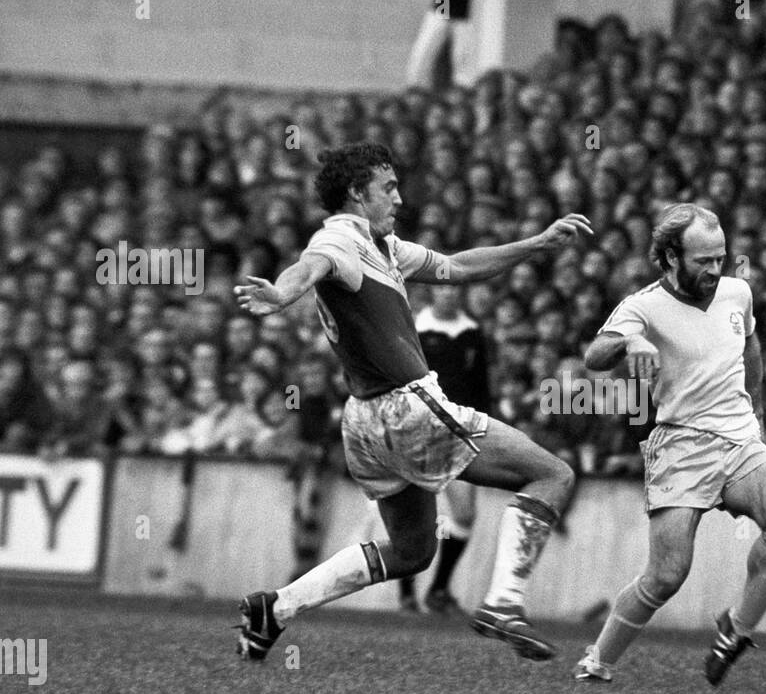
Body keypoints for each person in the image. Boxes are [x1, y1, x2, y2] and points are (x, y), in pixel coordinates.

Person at [233, 141, 590, 662]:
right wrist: (283, 293)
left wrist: (536, 243)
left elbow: (457, 267)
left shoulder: (385, 246)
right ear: (357, 194)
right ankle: (504, 603)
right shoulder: (340, 239)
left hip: (364, 421)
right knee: (553, 475)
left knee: (412, 550)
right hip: (408, 407)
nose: (399, 198)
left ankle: (277, 608)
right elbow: (310, 267)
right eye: (389, 188)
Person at [575, 203, 766, 687]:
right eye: (703, 260)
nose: (714, 269)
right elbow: (595, 356)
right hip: (680, 445)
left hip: (739, 437)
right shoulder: (642, 306)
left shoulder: (738, 293)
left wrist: (758, 411)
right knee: (667, 576)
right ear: (670, 257)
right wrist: (630, 343)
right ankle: (598, 662)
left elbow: (750, 347)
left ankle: (736, 629)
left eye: (720, 258)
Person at [396, 282, 490, 615]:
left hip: (459, 432)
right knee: (416, 515)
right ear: (432, 293)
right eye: (442, 289)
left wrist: (483, 429)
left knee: (464, 514)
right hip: (418, 431)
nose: (449, 294)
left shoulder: (472, 332)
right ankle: (406, 592)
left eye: (454, 289)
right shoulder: (414, 328)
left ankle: (439, 589)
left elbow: (481, 388)